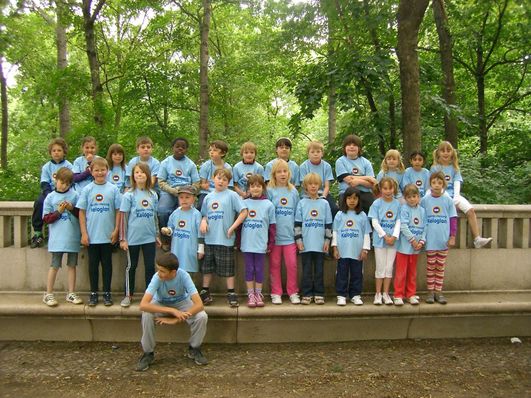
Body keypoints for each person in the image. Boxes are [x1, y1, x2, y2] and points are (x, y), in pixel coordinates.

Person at [137, 252, 208, 371]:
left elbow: (199, 304)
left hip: (182, 303)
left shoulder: (183, 275)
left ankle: (194, 348)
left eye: (162, 271)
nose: (159, 273)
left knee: (202, 316)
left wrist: (176, 319)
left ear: (173, 272)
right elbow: (143, 305)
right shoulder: (157, 277)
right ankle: (148, 353)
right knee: (147, 315)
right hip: (161, 303)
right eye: (158, 269)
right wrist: (171, 311)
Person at [199, 168, 248, 307]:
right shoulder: (208, 197)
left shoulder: (232, 195)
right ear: (213, 179)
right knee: (207, 267)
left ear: (229, 182)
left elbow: (244, 212)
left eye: (225, 179)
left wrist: (233, 227)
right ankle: (205, 291)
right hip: (209, 238)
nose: (221, 181)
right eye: (219, 178)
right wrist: (203, 221)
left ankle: (231, 292)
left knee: (228, 268)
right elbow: (204, 215)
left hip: (225, 239)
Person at [77, 157, 122, 306]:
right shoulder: (87, 190)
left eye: (103, 170)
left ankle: (107, 293)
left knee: (107, 266)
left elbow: (118, 211)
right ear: (91, 171)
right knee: (93, 266)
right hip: (91, 236)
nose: (100, 172)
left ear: (107, 171)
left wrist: (116, 230)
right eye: (96, 170)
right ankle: (94, 293)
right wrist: (84, 233)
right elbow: (82, 213)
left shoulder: (113, 189)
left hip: (108, 236)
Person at [431, 141, 492, 248]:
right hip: (441, 194)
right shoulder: (435, 168)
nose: (446, 153)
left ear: (452, 153)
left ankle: (477, 239)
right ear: (438, 153)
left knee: (470, 210)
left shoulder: (454, 168)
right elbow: (432, 184)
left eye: (448, 151)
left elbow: (457, 182)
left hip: (454, 195)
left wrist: (456, 197)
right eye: (443, 151)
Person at [119, 163, 160, 307]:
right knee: (132, 266)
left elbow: (154, 216)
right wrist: (123, 238)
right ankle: (128, 295)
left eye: (143, 172)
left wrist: (157, 234)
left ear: (148, 175)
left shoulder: (153, 194)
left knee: (150, 267)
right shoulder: (128, 195)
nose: (140, 175)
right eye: (137, 172)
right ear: (133, 176)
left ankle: (149, 297)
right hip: (133, 239)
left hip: (149, 238)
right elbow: (123, 218)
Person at [41, 167, 82, 306]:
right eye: (61, 182)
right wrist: (58, 212)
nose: (63, 185)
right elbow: (46, 219)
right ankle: (49, 293)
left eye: (66, 183)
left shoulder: (75, 195)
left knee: (72, 265)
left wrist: (71, 208)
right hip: (57, 238)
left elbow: (81, 215)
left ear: (70, 184)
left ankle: (71, 293)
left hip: (72, 237)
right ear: (55, 180)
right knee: (55, 265)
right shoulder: (50, 197)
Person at [295, 173, 332, 305]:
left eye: (315, 184)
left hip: (320, 245)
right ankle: (306, 293)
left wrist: (327, 241)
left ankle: (319, 293)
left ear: (319, 186)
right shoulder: (301, 203)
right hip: (305, 245)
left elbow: (328, 225)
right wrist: (299, 241)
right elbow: (298, 225)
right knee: (306, 271)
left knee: (319, 271)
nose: (313, 186)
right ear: (305, 186)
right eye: (310, 184)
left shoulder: (324, 203)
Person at [267, 159, 301, 305]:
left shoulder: (293, 191)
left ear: (289, 173)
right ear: (274, 174)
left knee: (292, 265)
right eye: (279, 172)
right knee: (274, 265)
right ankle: (276, 292)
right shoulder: (269, 190)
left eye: (285, 171)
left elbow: (298, 214)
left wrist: (299, 235)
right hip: (275, 238)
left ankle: (293, 292)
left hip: (290, 237)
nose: (282, 174)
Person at [421, 171, 457, 304]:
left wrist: (452, 236)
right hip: (430, 240)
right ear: (430, 184)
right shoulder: (425, 200)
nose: (436, 185)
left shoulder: (447, 200)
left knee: (440, 267)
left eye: (439, 183)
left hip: (443, 240)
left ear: (443, 184)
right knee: (430, 266)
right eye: (434, 182)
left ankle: (438, 292)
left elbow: (453, 218)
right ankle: (430, 292)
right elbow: (421, 218)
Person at [240, 174, 276, 308]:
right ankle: (251, 294)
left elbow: (272, 227)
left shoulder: (268, 205)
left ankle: (258, 293)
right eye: (252, 186)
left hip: (261, 244)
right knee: (249, 269)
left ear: (263, 188)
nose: (255, 189)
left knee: (259, 269)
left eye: (258, 186)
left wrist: (270, 243)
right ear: (248, 188)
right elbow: (239, 225)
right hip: (247, 243)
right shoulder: (243, 203)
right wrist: (238, 243)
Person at [157, 137, 200, 248]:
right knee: (162, 211)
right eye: (177, 146)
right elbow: (161, 182)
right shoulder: (166, 163)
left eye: (183, 147)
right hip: (169, 191)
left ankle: (189, 239)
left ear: (186, 150)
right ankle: (167, 239)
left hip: (186, 192)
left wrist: (188, 191)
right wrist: (172, 190)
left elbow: (196, 183)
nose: (180, 149)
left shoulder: (191, 164)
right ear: (172, 148)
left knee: (190, 212)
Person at [30, 137, 73, 248]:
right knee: (39, 202)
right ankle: (38, 233)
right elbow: (44, 183)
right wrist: (50, 195)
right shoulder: (47, 167)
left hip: (66, 191)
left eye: (59, 150)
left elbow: (71, 181)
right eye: (54, 150)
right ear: (50, 153)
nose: (56, 153)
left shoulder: (68, 165)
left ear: (64, 152)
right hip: (50, 192)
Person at [331, 187, 371, 306]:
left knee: (357, 274)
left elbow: (366, 233)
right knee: (342, 273)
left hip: (357, 252)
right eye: (349, 198)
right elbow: (335, 232)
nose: (352, 201)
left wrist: (365, 249)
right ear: (345, 199)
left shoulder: (362, 215)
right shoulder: (340, 215)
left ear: (359, 200)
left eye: (355, 198)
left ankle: (355, 295)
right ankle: (341, 295)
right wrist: (335, 247)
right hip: (343, 251)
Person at [368, 177, 401, 305]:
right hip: (380, 241)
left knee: (389, 268)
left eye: (390, 188)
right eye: (385, 188)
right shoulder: (376, 204)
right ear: (381, 189)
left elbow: (398, 221)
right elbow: (374, 221)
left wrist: (394, 236)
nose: (388, 191)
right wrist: (384, 236)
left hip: (393, 241)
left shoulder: (397, 204)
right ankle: (377, 294)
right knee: (380, 267)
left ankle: (386, 293)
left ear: (394, 189)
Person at [394, 184, 427, 306]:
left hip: (416, 248)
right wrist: (413, 240)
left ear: (419, 197)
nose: (412, 199)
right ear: (405, 198)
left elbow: (425, 227)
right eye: (409, 197)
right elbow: (403, 226)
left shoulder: (422, 210)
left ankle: (410, 294)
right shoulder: (404, 209)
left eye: (415, 196)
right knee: (401, 272)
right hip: (404, 247)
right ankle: (398, 294)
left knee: (412, 273)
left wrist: (421, 241)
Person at [161, 185, 204, 276]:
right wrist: (167, 231)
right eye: (181, 197)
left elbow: (200, 233)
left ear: (193, 199)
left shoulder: (196, 214)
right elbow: (171, 228)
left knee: (189, 276)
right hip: (177, 250)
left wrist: (200, 249)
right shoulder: (175, 213)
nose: (184, 200)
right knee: (176, 272)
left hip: (190, 250)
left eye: (187, 197)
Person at [335, 134, 377, 214]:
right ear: (344, 148)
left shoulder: (366, 162)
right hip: (346, 193)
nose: (351, 147)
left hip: (364, 193)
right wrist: (368, 178)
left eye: (354, 145)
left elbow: (371, 184)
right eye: (349, 145)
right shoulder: (340, 161)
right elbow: (349, 181)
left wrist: (359, 181)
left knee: (373, 211)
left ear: (359, 148)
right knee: (345, 215)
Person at [298, 140, 338, 217]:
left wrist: (322, 197)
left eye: (318, 152)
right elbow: (304, 185)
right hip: (307, 194)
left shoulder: (326, 166)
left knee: (334, 208)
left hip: (323, 193)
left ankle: (330, 227)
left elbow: (327, 186)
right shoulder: (303, 166)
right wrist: (312, 198)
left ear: (322, 153)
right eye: (312, 152)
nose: (315, 154)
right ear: (308, 154)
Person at [197, 140, 233, 211]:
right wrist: (203, 185)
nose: (211, 152)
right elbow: (202, 183)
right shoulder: (206, 165)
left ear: (222, 153)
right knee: (201, 205)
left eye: (215, 150)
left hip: (222, 192)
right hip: (206, 193)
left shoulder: (228, 168)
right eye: (210, 150)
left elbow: (229, 186)